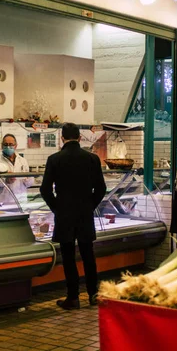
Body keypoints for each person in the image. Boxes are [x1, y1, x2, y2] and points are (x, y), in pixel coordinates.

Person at [40, 123, 107, 310]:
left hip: (64, 215)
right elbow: (101, 188)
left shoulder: (54, 159)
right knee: (88, 254)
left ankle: (73, 297)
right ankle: (94, 294)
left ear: (62, 138)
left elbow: (45, 189)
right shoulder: (92, 159)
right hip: (85, 214)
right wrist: (89, 206)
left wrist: (57, 208)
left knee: (68, 256)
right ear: (79, 138)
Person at [0, 133, 34, 205]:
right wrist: (5, 181)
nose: (8, 147)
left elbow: (29, 183)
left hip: (21, 202)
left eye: (11, 144)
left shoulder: (23, 161)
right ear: (2, 146)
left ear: (16, 146)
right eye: (6, 144)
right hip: (2, 202)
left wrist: (27, 179)